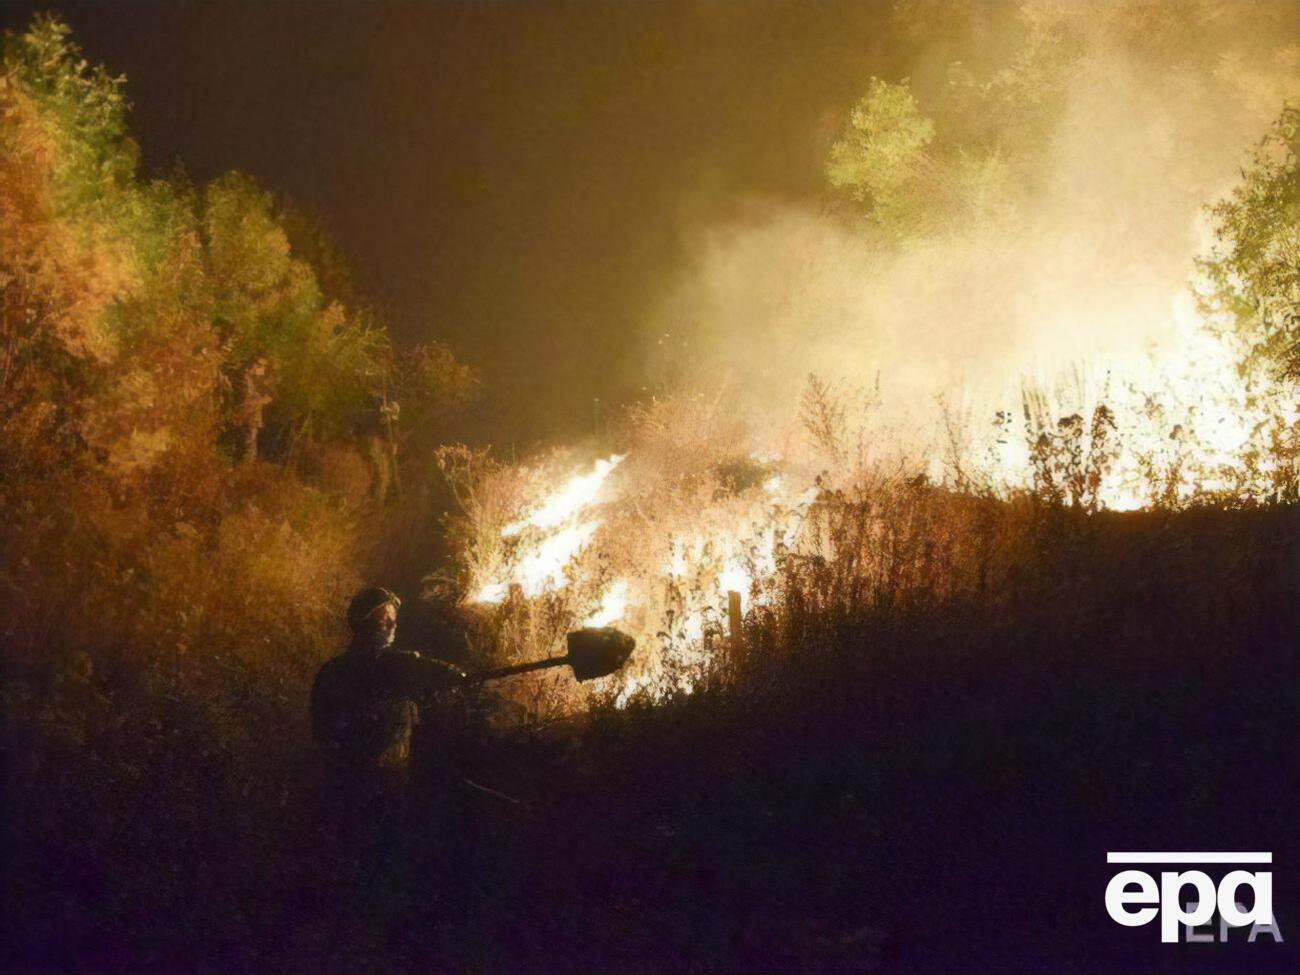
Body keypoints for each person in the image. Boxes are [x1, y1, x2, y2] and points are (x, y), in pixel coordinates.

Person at [311, 586, 467, 777]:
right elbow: (434, 672)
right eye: (385, 619)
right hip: (377, 781)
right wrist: (458, 677)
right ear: (364, 623)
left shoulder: (332, 669)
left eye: (394, 619)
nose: (393, 624)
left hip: (343, 777)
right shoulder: (389, 664)